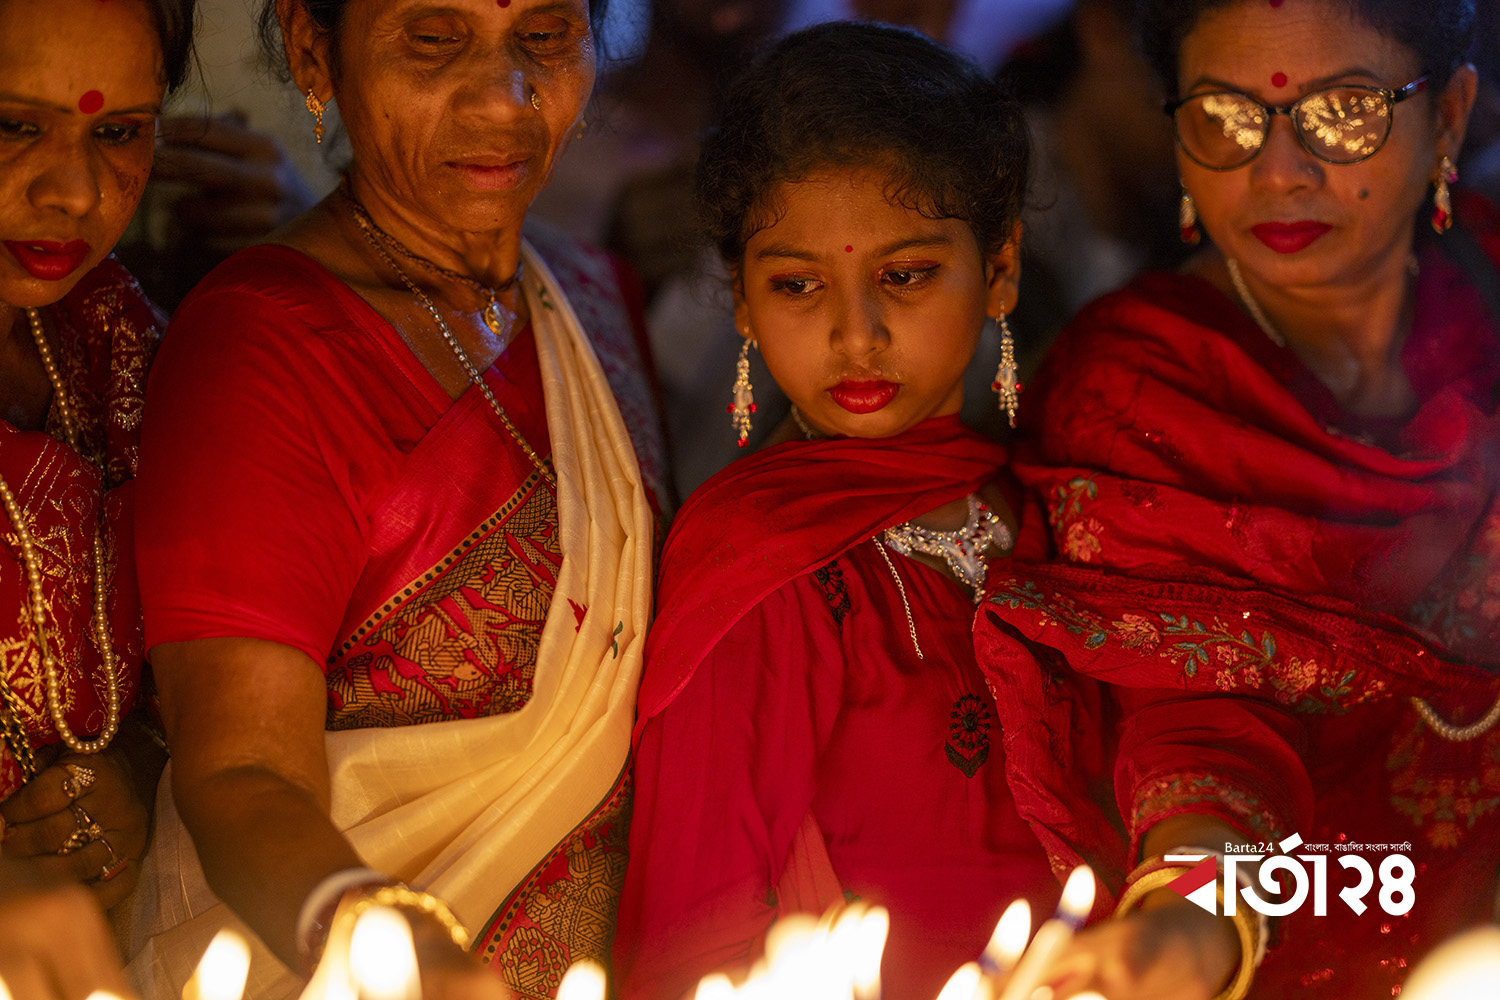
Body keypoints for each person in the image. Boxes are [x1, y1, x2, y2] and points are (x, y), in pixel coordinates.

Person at [614, 23, 1256, 1000]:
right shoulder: (757, 561)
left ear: (998, 269)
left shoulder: (1055, 506)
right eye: (796, 285)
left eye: (906, 275)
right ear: (741, 300)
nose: (854, 332)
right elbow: (692, 940)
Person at [122, 0, 668, 997]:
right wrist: (393, 950)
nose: (505, 99)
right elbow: (243, 777)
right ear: (311, 49)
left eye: (545, 37)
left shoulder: (593, 298)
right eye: (432, 39)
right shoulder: (263, 348)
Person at [977, 1, 1497, 997]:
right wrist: (1187, 925)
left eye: (1344, 114)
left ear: (1454, 115)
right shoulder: (1138, 395)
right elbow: (1205, 736)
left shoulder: (1491, 287)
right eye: (1225, 118)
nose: (1279, 171)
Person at [0, 0, 196, 996]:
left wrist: (131, 775)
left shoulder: (116, 342)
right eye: (13, 125)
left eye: (117, 134)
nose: (75, 191)